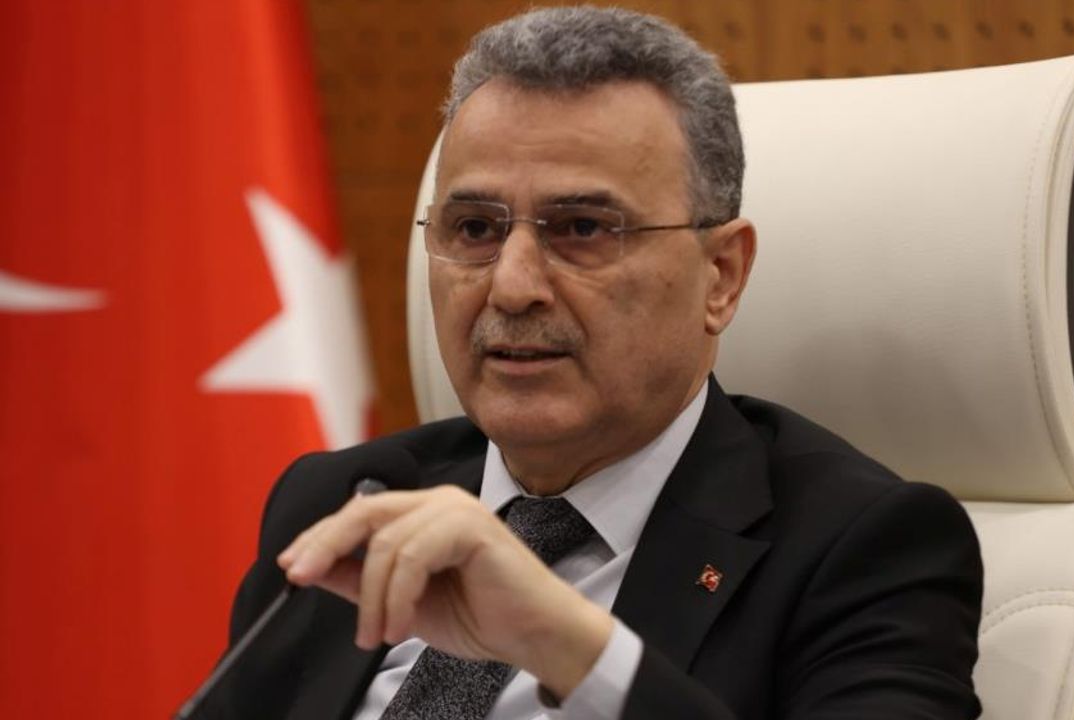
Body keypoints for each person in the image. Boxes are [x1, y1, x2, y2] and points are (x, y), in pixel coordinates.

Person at [208, 6, 982, 719]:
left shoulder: (862, 548)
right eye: (474, 229)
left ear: (720, 276)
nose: (512, 286)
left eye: (581, 228)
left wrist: (566, 645)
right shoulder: (344, 499)